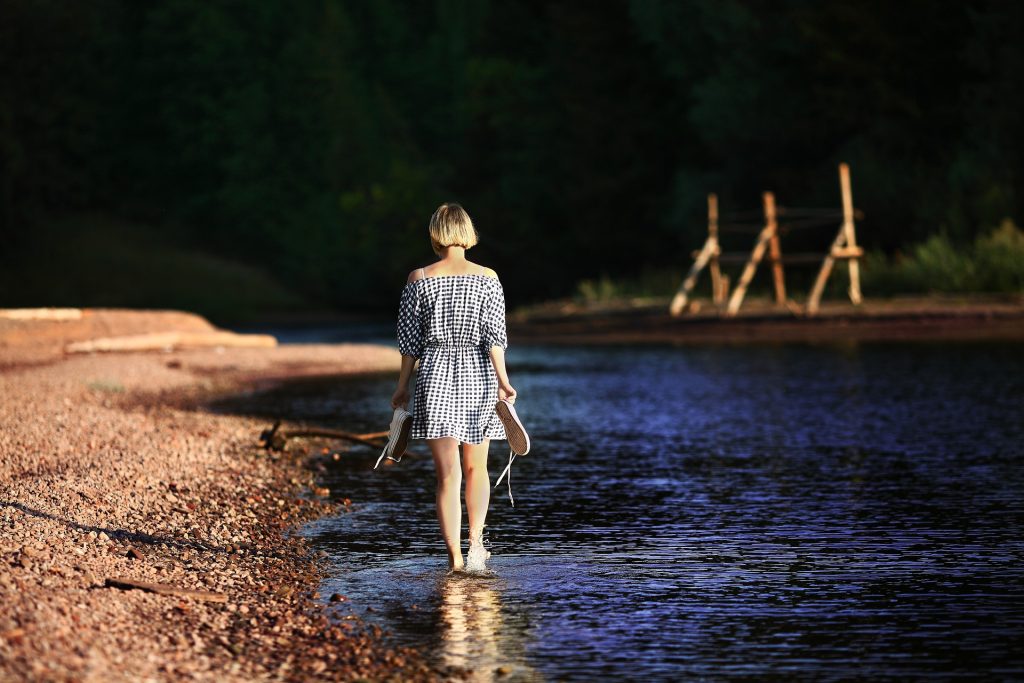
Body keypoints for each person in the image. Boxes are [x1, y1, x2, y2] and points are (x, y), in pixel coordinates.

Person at [391, 203, 517, 572]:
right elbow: (496, 338)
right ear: (467, 232)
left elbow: (409, 343)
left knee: (448, 474)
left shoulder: (419, 278)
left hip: (435, 374)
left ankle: (456, 560)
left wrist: (401, 388)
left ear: (435, 233)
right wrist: (504, 381)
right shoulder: (489, 277)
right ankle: (476, 543)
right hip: (479, 374)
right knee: (477, 469)